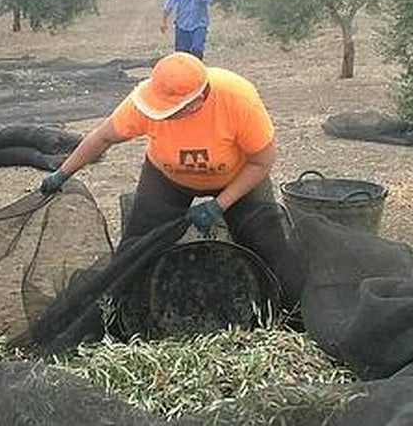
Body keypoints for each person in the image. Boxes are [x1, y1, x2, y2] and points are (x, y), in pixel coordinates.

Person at [38, 52, 303, 308]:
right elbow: (102, 137)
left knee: (267, 244)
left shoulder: (237, 99)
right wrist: (63, 173)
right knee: (138, 246)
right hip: (168, 177)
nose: (161, 115)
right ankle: (125, 310)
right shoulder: (145, 103)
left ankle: (288, 310)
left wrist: (219, 205)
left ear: (197, 101)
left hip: (237, 178)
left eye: (170, 111)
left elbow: (261, 162)